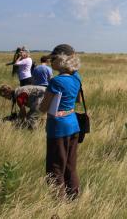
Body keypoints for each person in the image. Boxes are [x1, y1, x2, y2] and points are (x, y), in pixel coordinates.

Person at [39, 44, 82, 198]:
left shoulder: (56, 82)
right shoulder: (77, 77)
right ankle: (74, 197)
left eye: (53, 59)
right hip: (73, 124)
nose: (51, 62)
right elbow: (77, 100)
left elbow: (44, 108)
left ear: (62, 60)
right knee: (70, 166)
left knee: (55, 167)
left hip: (58, 127)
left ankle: (57, 203)